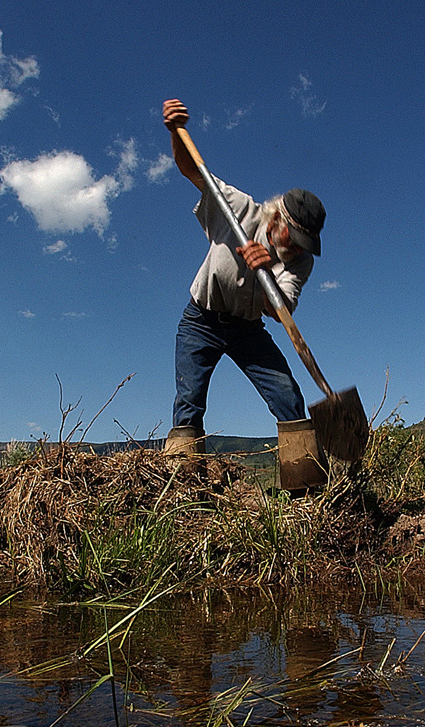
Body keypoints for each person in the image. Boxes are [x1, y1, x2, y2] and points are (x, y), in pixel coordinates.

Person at [161, 98, 327, 487]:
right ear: (277, 218)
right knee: (188, 406)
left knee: (288, 397)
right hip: (201, 320)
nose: (298, 247)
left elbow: (280, 309)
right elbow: (192, 171)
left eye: (306, 242)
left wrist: (266, 266)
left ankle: (305, 494)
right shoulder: (235, 208)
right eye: (295, 236)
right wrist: (174, 131)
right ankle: (183, 496)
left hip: (248, 329)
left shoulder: (299, 261)